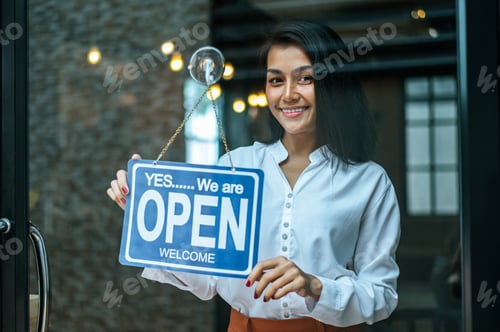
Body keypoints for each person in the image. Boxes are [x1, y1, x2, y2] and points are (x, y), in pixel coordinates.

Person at [107, 20, 400, 332]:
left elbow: (381, 295)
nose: (288, 94)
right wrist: (146, 217)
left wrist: (316, 286)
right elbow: (206, 280)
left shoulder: (369, 182)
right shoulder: (236, 165)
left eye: (305, 79)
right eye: (276, 81)